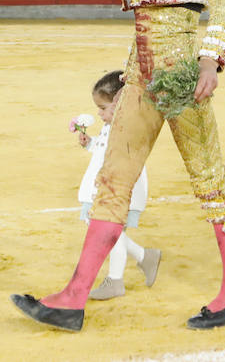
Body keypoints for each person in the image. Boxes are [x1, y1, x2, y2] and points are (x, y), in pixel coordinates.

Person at [12, 0, 225, 332]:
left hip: (184, 68)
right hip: (141, 72)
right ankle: (74, 297)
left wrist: (210, 60)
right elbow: (143, 15)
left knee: (209, 177)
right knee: (112, 180)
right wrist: (126, 73)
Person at [74, 70, 163, 301]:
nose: (99, 113)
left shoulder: (127, 127)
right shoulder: (111, 126)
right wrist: (89, 143)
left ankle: (116, 280)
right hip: (106, 188)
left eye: (103, 108)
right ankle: (144, 257)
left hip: (118, 190)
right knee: (109, 233)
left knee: (109, 233)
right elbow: (102, 151)